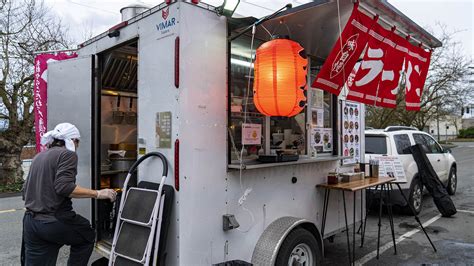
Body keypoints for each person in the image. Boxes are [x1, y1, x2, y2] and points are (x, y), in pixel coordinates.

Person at [22, 123, 117, 266]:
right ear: (73, 141)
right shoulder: (67, 155)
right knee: (87, 235)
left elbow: (25, 191)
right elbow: (64, 187)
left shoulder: (39, 156)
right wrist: (98, 193)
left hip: (31, 223)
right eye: (77, 142)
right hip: (53, 220)